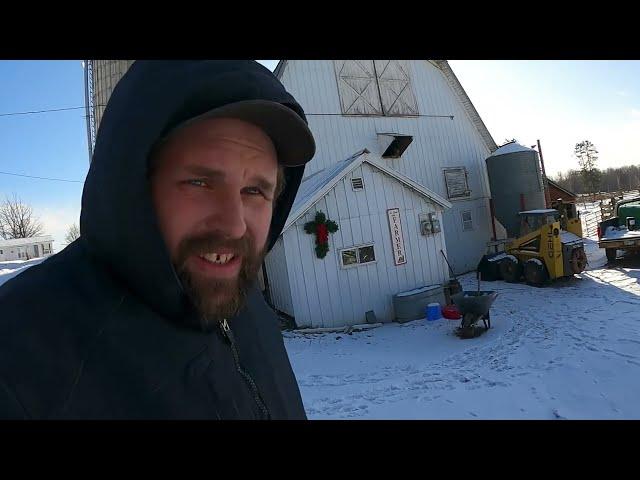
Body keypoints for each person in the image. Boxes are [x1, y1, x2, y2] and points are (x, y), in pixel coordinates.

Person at [0, 60, 316, 419]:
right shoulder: (20, 356)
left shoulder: (244, 305)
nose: (234, 226)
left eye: (255, 190)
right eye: (199, 182)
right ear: (131, 184)